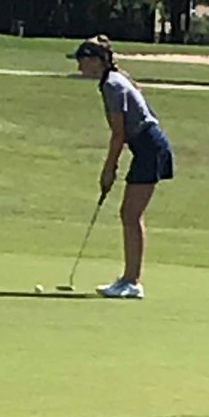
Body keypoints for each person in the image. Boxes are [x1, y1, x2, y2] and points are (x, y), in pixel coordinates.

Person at [69, 36, 174, 299]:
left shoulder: (113, 86)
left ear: (96, 61)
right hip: (146, 147)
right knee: (129, 214)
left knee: (130, 214)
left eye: (82, 60)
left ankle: (132, 282)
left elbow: (119, 134)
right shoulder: (112, 81)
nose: (79, 66)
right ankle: (129, 279)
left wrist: (109, 168)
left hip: (150, 147)